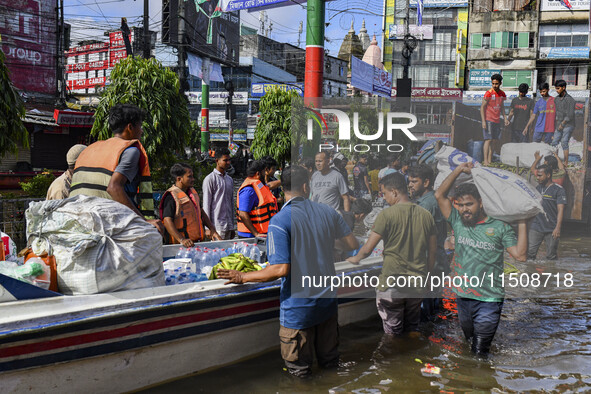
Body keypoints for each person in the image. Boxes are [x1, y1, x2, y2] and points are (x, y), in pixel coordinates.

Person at [217, 166, 358, 377]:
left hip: (299, 311)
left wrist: (242, 276)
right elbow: (351, 244)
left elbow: (281, 269)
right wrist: (324, 240)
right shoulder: (328, 212)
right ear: (306, 186)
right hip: (327, 305)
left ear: (282, 190)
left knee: (300, 374)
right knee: (331, 366)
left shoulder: (280, 221)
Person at [435, 162, 527, 356]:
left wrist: (522, 222)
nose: (464, 209)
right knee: (469, 342)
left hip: (489, 299)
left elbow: (520, 255)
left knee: (479, 352)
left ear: (481, 203)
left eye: (469, 204)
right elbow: (439, 195)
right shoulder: (457, 221)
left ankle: (480, 383)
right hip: (463, 296)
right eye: (460, 205)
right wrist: (459, 170)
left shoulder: (500, 227)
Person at [347, 173, 436, 336]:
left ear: (394, 192)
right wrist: (428, 277)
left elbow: (367, 249)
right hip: (417, 284)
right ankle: (411, 357)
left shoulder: (386, 215)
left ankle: (395, 359)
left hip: (392, 283)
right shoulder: (426, 215)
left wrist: (354, 258)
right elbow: (432, 253)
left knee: (393, 333)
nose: (385, 198)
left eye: (384, 194)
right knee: (412, 329)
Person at [70, 104, 164, 234]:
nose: (141, 131)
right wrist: (142, 221)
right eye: (140, 126)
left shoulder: (90, 149)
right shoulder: (130, 151)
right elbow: (113, 188)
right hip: (105, 222)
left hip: (76, 219)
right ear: (130, 127)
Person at [407, 164, 448, 318]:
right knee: (434, 305)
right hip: (436, 260)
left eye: (414, 181)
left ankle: (428, 335)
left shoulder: (427, 204)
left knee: (426, 308)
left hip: (431, 262)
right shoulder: (427, 201)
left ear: (426, 182)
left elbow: (417, 235)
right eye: (409, 181)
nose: (410, 185)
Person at [159, 163, 221, 247]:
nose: (193, 179)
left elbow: (201, 212)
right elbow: (167, 221)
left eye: (192, 176)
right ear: (179, 179)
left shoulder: (192, 192)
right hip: (179, 246)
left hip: (196, 243)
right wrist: (182, 239)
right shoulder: (171, 197)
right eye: (189, 176)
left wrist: (212, 229)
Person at [527, 164, 566, 260]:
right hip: (536, 226)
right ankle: (529, 273)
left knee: (551, 256)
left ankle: (551, 272)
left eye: (540, 175)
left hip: (551, 228)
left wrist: (558, 228)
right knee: (530, 253)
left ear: (548, 175)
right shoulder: (538, 188)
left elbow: (561, 210)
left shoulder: (558, 190)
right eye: (537, 175)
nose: (537, 177)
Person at [236, 160, 278, 238]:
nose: (265, 174)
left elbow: (269, 186)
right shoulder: (248, 190)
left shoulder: (259, 185)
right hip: (249, 236)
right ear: (258, 173)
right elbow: (243, 214)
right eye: (263, 172)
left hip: (261, 233)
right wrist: (256, 234)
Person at [202, 148, 235, 240]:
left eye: (229, 160)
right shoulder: (210, 179)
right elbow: (206, 205)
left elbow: (231, 204)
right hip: (216, 226)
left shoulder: (229, 180)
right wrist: (208, 228)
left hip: (228, 225)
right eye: (225, 160)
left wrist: (232, 227)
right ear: (217, 161)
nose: (228, 162)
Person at [480, 73, 507, 166]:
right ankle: (485, 160)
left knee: (494, 140)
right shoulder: (489, 93)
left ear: (500, 83)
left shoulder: (502, 94)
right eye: (493, 83)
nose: (495, 86)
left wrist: (505, 117)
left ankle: (490, 160)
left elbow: (502, 106)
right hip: (488, 119)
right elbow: (482, 107)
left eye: (496, 84)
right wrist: (483, 121)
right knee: (488, 140)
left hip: (497, 120)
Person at [551, 80, 576, 165]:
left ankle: (565, 162)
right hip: (559, 124)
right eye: (556, 88)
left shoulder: (570, 100)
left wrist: (563, 123)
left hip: (568, 124)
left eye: (558, 88)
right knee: (554, 142)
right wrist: (558, 124)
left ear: (563, 88)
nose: (556, 90)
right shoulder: (556, 99)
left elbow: (570, 115)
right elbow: (556, 113)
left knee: (564, 142)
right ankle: (555, 161)